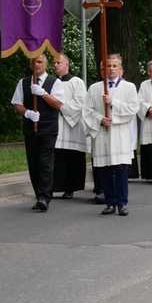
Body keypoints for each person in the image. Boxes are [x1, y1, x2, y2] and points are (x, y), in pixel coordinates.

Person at [83, 54, 140, 216]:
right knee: (105, 169)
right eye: (108, 66)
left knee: (120, 169)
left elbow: (133, 108)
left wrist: (113, 102)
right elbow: (87, 110)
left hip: (120, 133)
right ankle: (110, 202)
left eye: (114, 66)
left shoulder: (129, 87)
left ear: (120, 68)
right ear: (104, 69)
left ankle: (122, 203)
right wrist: (100, 119)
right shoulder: (95, 88)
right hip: (103, 133)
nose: (111, 69)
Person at [11, 53, 64, 211]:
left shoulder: (55, 82)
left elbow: (57, 104)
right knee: (33, 163)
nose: (37, 65)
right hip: (30, 128)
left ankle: (45, 196)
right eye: (34, 62)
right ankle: (38, 193)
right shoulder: (24, 82)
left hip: (48, 128)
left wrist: (43, 93)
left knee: (45, 162)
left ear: (46, 64)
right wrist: (27, 112)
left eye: (40, 62)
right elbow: (16, 103)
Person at [52, 54, 88, 199]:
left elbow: (80, 102)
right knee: (55, 157)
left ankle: (70, 188)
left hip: (71, 126)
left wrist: (61, 107)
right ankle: (53, 186)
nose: (55, 65)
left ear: (67, 64)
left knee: (70, 158)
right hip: (55, 124)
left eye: (58, 62)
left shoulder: (77, 82)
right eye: (54, 63)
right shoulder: (51, 82)